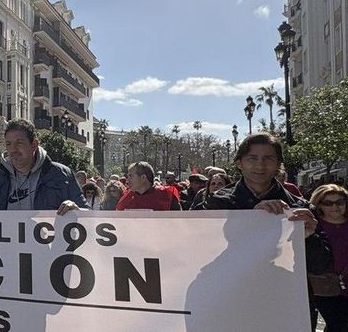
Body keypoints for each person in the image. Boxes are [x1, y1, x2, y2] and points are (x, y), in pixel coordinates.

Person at [193, 132, 331, 322]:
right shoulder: (216, 205)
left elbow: (322, 266)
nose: (260, 165)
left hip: (286, 305)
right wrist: (251, 218)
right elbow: (201, 254)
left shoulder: (302, 208)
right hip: (232, 304)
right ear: (239, 163)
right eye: (252, 158)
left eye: (268, 158)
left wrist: (309, 237)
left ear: (278, 164)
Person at [0, 119, 88, 214]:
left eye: (19, 142)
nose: (13, 149)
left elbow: (89, 216)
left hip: (48, 247)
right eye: (8, 144)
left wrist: (76, 210)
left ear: (34, 144)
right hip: (5, 247)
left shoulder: (62, 175)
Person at [308, 184, 348, 331]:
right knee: (338, 324)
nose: (335, 206)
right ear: (319, 205)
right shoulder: (313, 227)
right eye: (328, 203)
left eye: (340, 202)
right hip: (325, 286)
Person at [116, 162, 181, 211]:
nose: (127, 181)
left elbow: (179, 221)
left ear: (143, 177)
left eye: (130, 176)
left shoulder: (167, 195)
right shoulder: (126, 197)